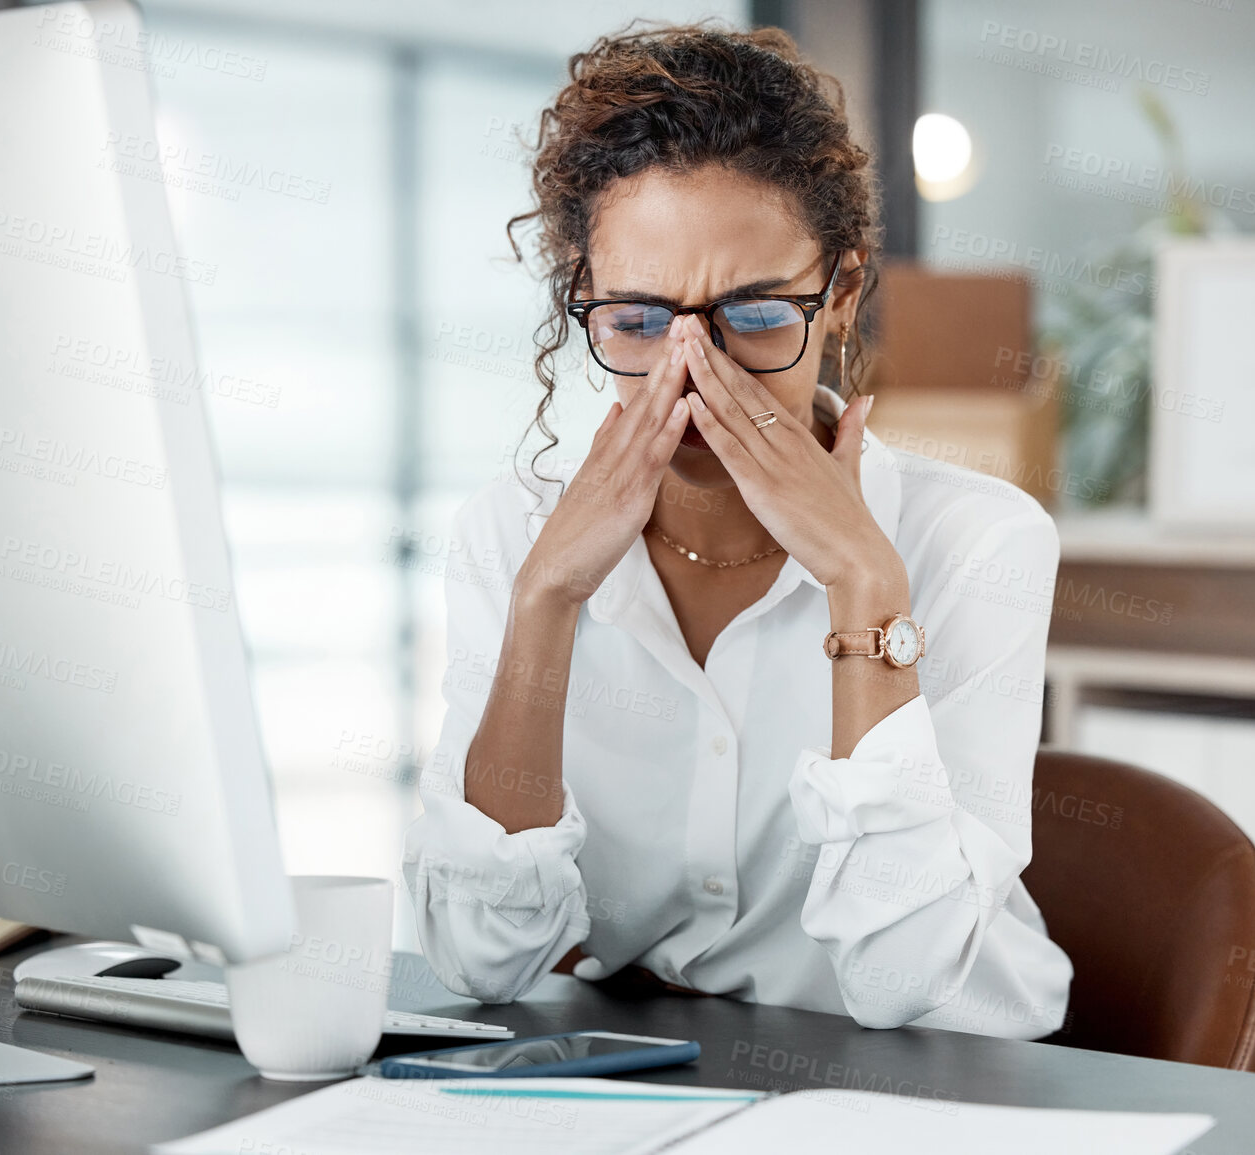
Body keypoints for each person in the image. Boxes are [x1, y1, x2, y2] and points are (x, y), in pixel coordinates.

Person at [402, 22, 1073, 1038]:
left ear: (839, 294)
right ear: (584, 301)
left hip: (949, 1089)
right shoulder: (511, 536)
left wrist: (864, 584)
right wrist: (545, 601)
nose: (692, 374)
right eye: (636, 322)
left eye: (755, 316)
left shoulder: (979, 542)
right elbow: (479, 961)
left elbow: (905, 980)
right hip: (656, 1086)